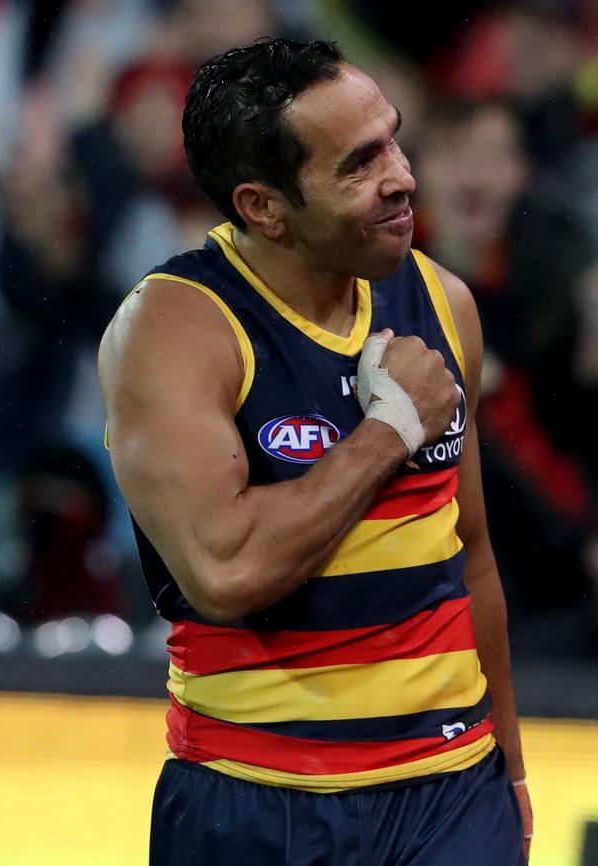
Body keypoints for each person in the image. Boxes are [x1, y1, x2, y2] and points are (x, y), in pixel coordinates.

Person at [98, 37, 533, 866]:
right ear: (263, 207)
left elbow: (470, 557)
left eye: (395, 140)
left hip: (452, 791)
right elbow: (227, 574)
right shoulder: (176, 329)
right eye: (358, 165)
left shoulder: (444, 304)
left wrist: (508, 770)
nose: (403, 177)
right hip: (256, 796)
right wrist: (388, 431)